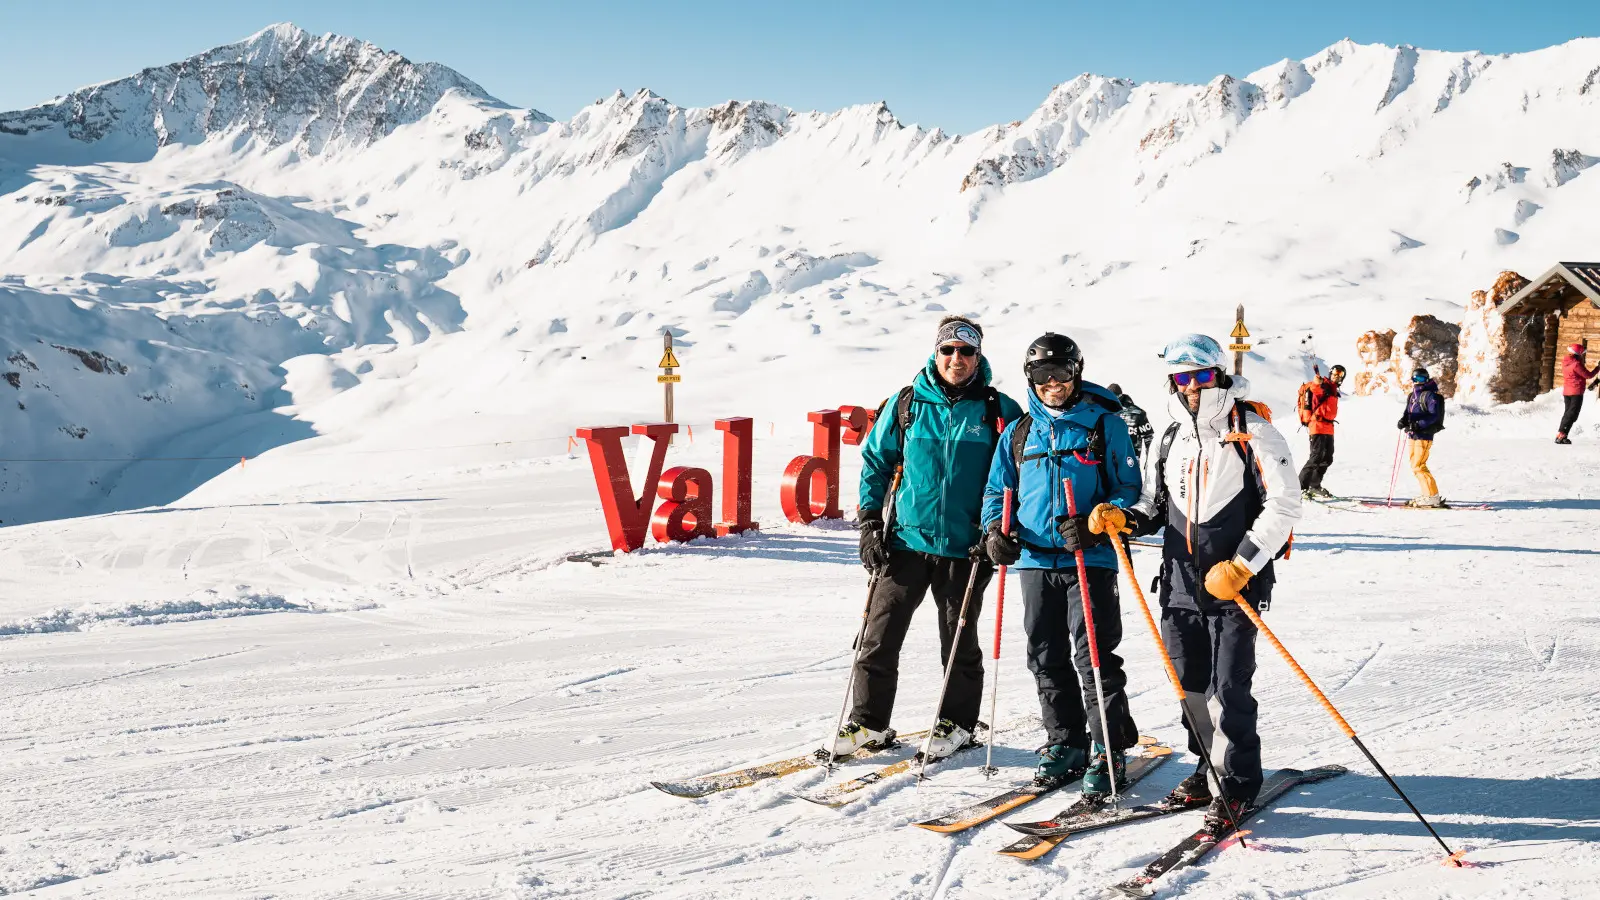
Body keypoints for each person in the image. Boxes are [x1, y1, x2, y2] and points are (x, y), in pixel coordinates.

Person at [1118, 334, 1302, 827]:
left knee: (1229, 687)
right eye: (1182, 377)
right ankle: (1207, 765)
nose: (1192, 386)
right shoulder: (1172, 435)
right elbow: (1156, 505)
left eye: (1201, 375)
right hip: (1179, 583)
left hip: (1234, 586)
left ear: (1219, 374)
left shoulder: (1253, 430)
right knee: (1190, 686)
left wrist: (1243, 563)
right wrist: (1125, 519)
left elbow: (1284, 505)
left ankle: (1238, 781)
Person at [842, 316, 1023, 760]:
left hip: (968, 548)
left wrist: (1003, 529)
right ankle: (869, 724)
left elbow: (1019, 478)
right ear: (935, 353)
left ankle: (957, 724)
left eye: (966, 351)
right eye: (948, 350)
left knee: (957, 638)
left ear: (978, 356)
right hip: (905, 542)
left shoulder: (1000, 411)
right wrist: (868, 523)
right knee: (879, 636)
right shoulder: (907, 404)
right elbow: (876, 464)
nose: (956, 359)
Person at [980, 334, 1142, 794]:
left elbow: (1128, 488)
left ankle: (1107, 748)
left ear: (1077, 372)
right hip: (1033, 558)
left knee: (1093, 655)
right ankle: (1065, 741)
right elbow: (997, 490)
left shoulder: (1103, 425)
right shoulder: (1019, 431)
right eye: (1041, 376)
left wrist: (1095, 523)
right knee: (1044, 654)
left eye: (1061, 374)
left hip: (1088, 556)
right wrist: (997, 531)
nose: (1052, 384)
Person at [1397, 366, 1446, 508]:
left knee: (1419, 465)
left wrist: (1419, 425)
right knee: (1415, 466)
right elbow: (1407, 413)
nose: (1419, 381)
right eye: (1416, 378)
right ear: (1412, 379)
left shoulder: (1430, 395)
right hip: (1413, 435)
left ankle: (1432, 496)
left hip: (1424, 435)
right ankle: (1427, 494)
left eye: (1422, 378)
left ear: (1427, 379)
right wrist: (1403, 421)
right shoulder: (1412, 396)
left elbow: (1433, 415)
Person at [1297, 364, 1345, 499]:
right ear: (1330, 373)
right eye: (1335, 373)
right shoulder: (1324, 385)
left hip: (1328, 427)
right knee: (1316, 457)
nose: (1337, 376)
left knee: (1327, 458)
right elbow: (1315, 388)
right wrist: (1317, 382)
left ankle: (1314, 485)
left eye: (1340, 375)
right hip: (1317, 425)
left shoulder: (1334, 389)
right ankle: (1300, 487)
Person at [1557, 343, 1598, 445]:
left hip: (1567, 391)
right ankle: (1562, 435)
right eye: (1582, 354)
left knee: (1568, 413)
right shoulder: (1576, 364)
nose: (1583, 355)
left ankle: (1561, 435)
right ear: (1578, 354)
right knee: (1572, 415)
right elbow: (1588, 375)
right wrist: (1598, 367)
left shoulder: (1566, 362)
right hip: (1576, 392)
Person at [1108, 383, 1154, 461]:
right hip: (1107, 461)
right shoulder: (1103, 413)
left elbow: (1148, 438)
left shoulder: (1137, 413)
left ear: (1120, 396)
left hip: (1130, 461)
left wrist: (1150, 462)